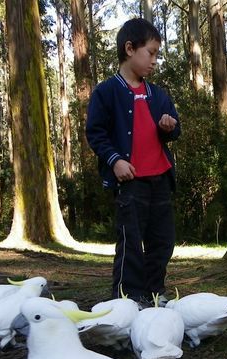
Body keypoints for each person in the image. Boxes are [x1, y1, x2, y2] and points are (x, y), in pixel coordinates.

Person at [86, 18, 180, 307]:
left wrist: (168, 126)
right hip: (131, 181)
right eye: (150, 53)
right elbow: (96, 133)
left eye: (156, 55)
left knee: (162, 241)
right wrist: (115, 161)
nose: (154, 61)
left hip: (160, 178)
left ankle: (154, 292)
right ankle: (127, 299)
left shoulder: (158, 94)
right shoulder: (106, 92)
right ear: (129, 48)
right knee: (131, 242)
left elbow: (175, 130)